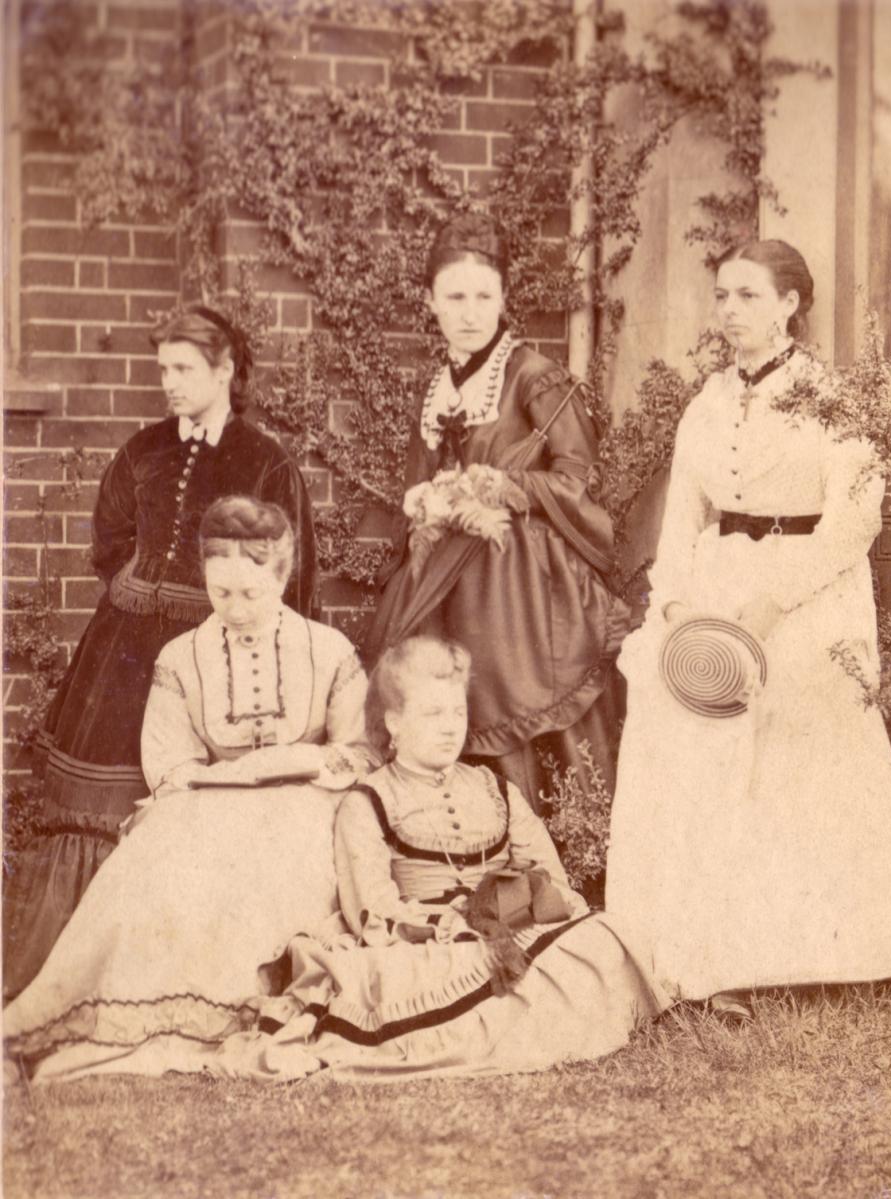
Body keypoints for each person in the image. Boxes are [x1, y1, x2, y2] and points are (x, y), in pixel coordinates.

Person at [6, 636, 667, 1083]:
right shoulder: (370, 800)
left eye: (456, 712)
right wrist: (439, 923)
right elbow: (371, 904)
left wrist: (526, 906)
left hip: (509, 925)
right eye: (431, 714)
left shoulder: (493, 785)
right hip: (423, 938)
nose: (450, 727)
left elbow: (548, 872)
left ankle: (532, 1012)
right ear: (394, 723)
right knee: (421, 984)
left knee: (600, 940)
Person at [605, 239, 891, 1016]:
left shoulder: (832, 400)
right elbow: (683, 521)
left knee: (801, 737)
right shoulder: (707, 402)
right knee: (687, 712)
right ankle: (712, 955)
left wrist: (773, 601)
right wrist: (676, 607)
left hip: (811, 590)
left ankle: (837, 952)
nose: (730, 310)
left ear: (790, 304)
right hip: (718, 583)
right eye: (722, 295)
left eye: (749, 295)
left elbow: (854, 521)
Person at [3, 308, 318, 1000]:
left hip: (216, 651)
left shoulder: (265, 461)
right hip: (121, 655)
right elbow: (109, 537)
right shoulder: (143, 450)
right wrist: (137, 584)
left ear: (225, 370)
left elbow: (292, 577)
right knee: (97, 804)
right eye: (163, 369)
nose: (169, 383)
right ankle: (81, 974)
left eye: (183, 368)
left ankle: (179, 977)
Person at [4, 497, 373, 1077]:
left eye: (250, 593)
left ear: (282, 576)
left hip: (306, 803)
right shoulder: (182, 657)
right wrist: (228, 780)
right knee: (156, 857)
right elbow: (170, 767)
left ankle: (241, 1009)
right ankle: (138, 1010)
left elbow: (360, 752)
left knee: (279, 858)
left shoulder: (328, 650)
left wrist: (298, 763)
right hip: (209, 802)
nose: (236, 609)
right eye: (221, 593)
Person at [364, 214, 629, 813]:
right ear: (430, 301)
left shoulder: (533, 377)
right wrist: (427, 501)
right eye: (455, 298)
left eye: (484, 297)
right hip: (444, 580)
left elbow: (580, 477)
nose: (470, 313)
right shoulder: (437, 388)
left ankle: (546, 844)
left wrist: (503, 485)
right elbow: (420, 479)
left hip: (521, 585)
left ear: (504, 298)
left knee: (512, 696)